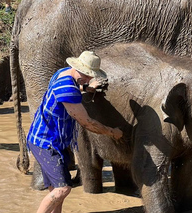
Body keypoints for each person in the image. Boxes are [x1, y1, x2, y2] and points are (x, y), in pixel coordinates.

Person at [27, 51, 123, 213]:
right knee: (63, 189)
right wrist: (113, 132)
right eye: (84, 75)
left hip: (45, 137)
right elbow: (88, 123)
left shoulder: (63, 73)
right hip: (47, 142)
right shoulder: (67, 88)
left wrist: (86, 87)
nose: (86, 79)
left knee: (54, 189)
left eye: (89, 76)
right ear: (76, 67)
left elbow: (74, 87)